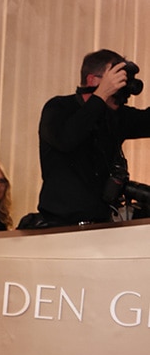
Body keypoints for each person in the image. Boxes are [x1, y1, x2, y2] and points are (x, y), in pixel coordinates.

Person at [37, 48, 150, 226]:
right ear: (92, 80)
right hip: (59, 226)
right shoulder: (58, 108)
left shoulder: (114, 116)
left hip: (102, 225)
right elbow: (67, 139)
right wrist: (101, 94)